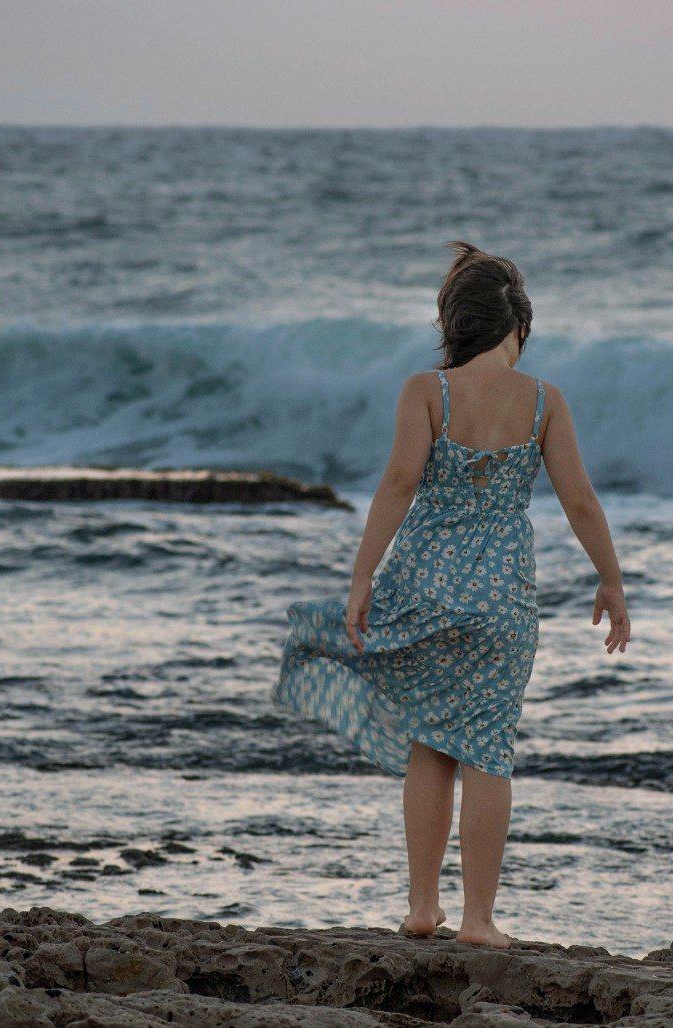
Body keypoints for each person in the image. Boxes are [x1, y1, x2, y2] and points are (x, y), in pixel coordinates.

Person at [272, 240, 630, 950]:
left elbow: (399, 483)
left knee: (429, 748)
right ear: (516, 328)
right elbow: (580, 500)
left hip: (426, 591)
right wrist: (612, 581)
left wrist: (362, 575)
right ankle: (479, 920)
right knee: (488, 754)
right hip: (502, 602)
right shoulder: (543, 402)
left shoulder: (425, 392)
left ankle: (422, 908)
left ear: (455, 327)